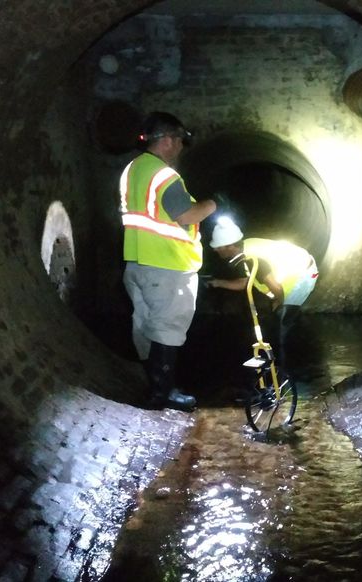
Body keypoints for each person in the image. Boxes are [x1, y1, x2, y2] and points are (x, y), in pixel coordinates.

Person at [119, 111, 216, 411]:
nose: (181, 148)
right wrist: (214, 204)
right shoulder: (164, 175)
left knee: (144, 326)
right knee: (167, 328)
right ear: (169, 140)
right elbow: (186, 215)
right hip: (167, 266)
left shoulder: (132, 169)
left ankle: (153, 384)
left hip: (137, 263)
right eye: (180, 141)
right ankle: (163, 393)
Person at [207, 217, 318, 365]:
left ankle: (287, 367)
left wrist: (279, 304)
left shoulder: (254, 259)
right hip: (297, 264)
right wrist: (217, 282)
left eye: (218, 246)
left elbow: (277, 289)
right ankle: (286, 357)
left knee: (283, 324)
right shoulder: (245, 247)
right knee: (278, 320)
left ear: (230, 246)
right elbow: (245, 282)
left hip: (301, 274)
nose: (215, 249)